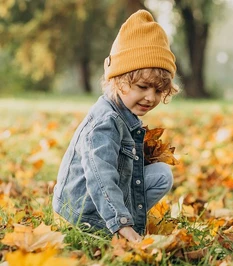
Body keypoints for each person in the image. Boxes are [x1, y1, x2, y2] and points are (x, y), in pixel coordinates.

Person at [52, 10, 179, 243]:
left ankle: (120, 222)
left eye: (158, 90)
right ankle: (111, 229)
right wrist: (122, 224)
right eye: (142, 86)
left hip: (97, 199)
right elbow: (101, 178)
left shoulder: (124, 112)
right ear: (119, 79)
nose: (151, 98)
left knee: (162, 175)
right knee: (150, 178)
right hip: (82, 211)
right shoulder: (105, 123)